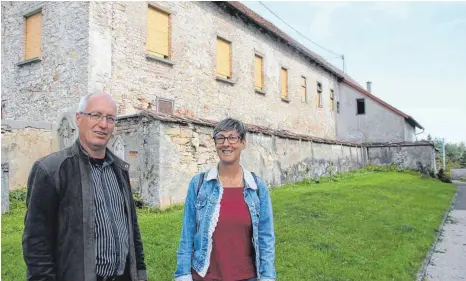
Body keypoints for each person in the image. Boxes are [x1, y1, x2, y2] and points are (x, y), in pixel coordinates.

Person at [22, 92, 147, 281]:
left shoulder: (120, 170)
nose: (103, 124)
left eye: (110, 118)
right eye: (96, 115)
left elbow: (133, 232)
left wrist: (140, 274)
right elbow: (36, 243)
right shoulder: (50, 170)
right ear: (79, 119)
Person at [174, 118, 276, 281]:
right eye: (220, 137)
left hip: (246, 276)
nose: (226, 143)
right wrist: (183, 274)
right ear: (215, 143)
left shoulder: (257, 187)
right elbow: (187, 233)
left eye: (232, 137)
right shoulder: (199, 184)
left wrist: (268, 277)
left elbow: (266, 238)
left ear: (243, 143)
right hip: (205, 276)